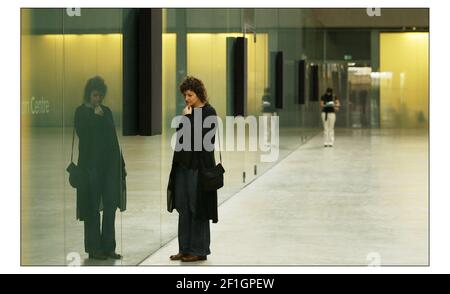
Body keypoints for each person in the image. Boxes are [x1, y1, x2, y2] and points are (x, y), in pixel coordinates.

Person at [167, 76, 219, 262]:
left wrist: (188, 119)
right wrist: (185, 119)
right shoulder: (187, 111)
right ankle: (185, 248)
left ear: (198, 93)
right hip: (183, 166)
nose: (187, 99)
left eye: (190, 95)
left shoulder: (209, 112)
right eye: (185, 95)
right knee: (183, 206)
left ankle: (199, 249)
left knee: (198, 207)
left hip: (199, 168)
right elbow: (180, 138)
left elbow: (204, 142)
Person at [74, 76, 127, 260]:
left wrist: (121, 164)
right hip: (90, 168)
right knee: (92, 208)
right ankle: (93, 248)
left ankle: (108, 246)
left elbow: (113, 139)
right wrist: (95, 118)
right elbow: (83, 135)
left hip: (109, 167)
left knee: (110, 206)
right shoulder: (81, 112)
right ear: (88, 95)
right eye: (95, 95)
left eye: (100, 96)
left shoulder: (107, 111)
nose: (98, 99)